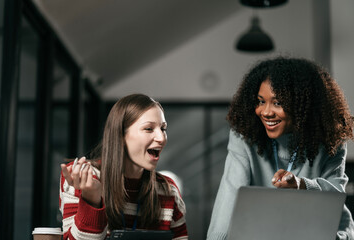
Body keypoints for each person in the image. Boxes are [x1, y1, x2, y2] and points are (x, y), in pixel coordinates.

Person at [207, 57, 354, 240]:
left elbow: (335, 196)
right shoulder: (244, 137)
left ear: (304, 105)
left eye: (277, 103)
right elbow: (230, 195)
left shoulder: (330, 140)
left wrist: (301, 185)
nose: (266, 112)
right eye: (261, 101)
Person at [59, 93, 188, 240]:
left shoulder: (168, 190)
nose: (161, 138)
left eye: (163, 129)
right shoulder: (83, 177)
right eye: (149, 129)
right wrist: (92, 199)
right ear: (120, 135)